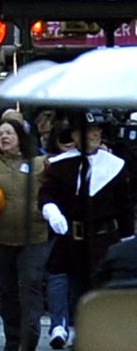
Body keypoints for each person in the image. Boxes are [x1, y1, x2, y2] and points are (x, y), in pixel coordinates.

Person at [39, 112, 134, 349]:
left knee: (102, 289)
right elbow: (47, 194)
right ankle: (63, 327)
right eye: (85, 131)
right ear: (74, 136)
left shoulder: (115, 165)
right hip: (73, 237)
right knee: (66, 283)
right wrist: (52, 211)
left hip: (105, 240)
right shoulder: (60, 165)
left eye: (96, 130)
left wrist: (128, 239)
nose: (92, 135)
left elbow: (125, 205)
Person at [0, 116, 48, 351]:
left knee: (30, 284)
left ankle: (29, 338)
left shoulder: (40, 163)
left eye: (9, 133)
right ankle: (12, 339)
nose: (4, 137)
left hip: (35, 236)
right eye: (0, 134)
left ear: (20, 137)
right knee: (7, 290)